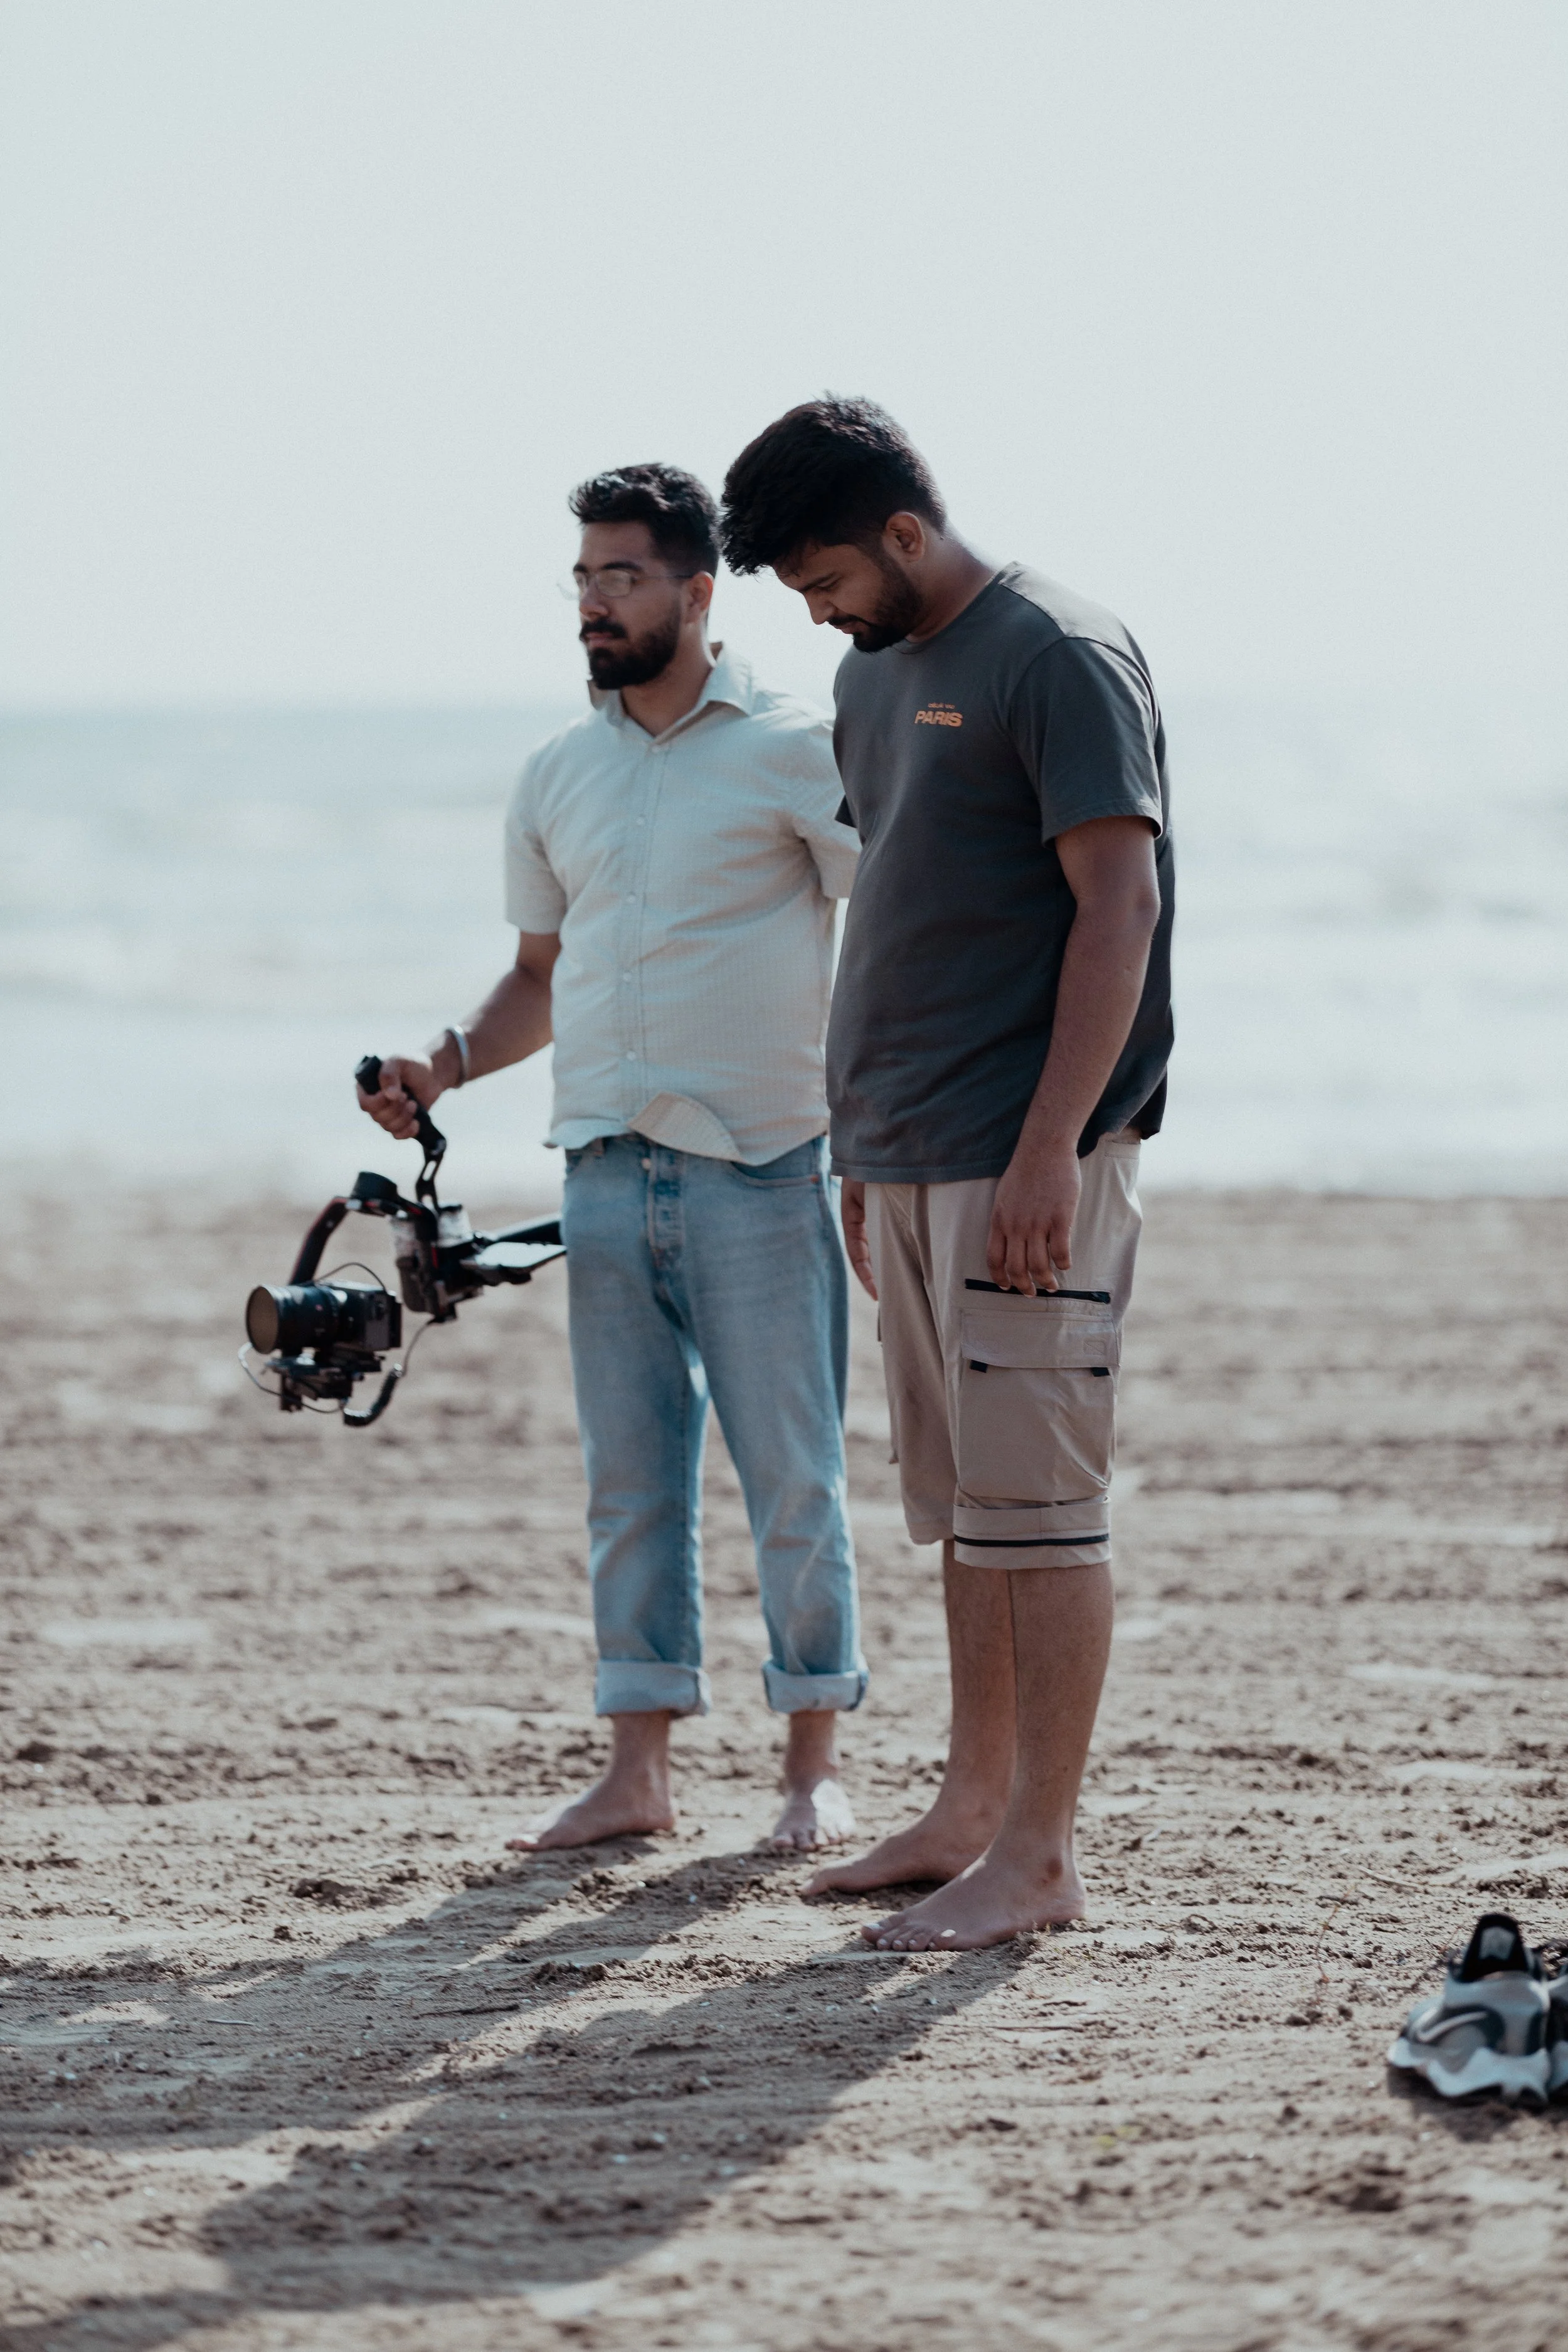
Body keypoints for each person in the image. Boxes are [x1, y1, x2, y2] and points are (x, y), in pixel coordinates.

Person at [359, 463, 866, 1853]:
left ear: (696, 593)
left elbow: (879, 930)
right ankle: (635, 1775)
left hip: (762, 1165)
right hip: (598, 1168)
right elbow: (536, 974)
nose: (592, 602)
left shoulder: (794, 746)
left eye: (621, 577)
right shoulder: (555, 773)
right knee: (628, 1482)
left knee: (794, 1474)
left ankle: (808, 1772)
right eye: (582, 579)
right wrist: (442, 1064)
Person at [721, 399, 1173, 1947]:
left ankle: (1037, 1858)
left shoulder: (1055, 653)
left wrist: (1052, 1142)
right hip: (904, 1156)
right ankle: (967, 1813)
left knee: (1040, 1512)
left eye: (827, 578)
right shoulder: (869, 674)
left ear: (905, 530)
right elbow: (905, 907)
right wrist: (861, 1147)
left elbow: (1117, 909)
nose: (819, 611)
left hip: (1025, 1155)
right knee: (969, 1511)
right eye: (794, 595)